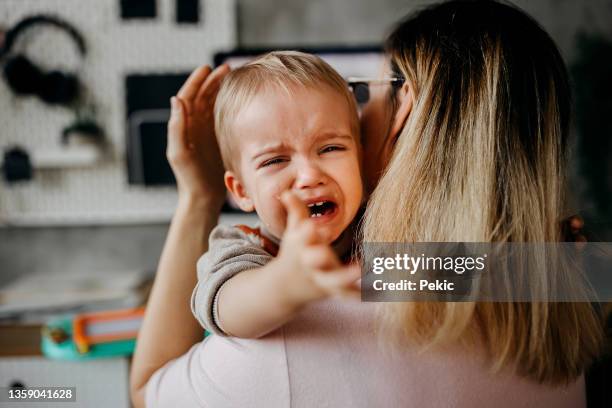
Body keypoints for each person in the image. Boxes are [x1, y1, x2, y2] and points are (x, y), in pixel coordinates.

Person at [130, 1, 605, 407]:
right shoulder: (555, 289)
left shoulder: (301, 323)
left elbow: (147, 390)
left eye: (365, 92)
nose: (359, 115)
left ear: (405, 108)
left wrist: (198, 198)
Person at [190, 51, 363, 339]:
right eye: (274, 161)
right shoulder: (243, 245)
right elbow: (226, 309)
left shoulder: (377, 227)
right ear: (242, 191)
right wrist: (284, 282)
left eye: (330, 148)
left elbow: (457, 275)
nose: (309, 176)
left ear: (361, 157)